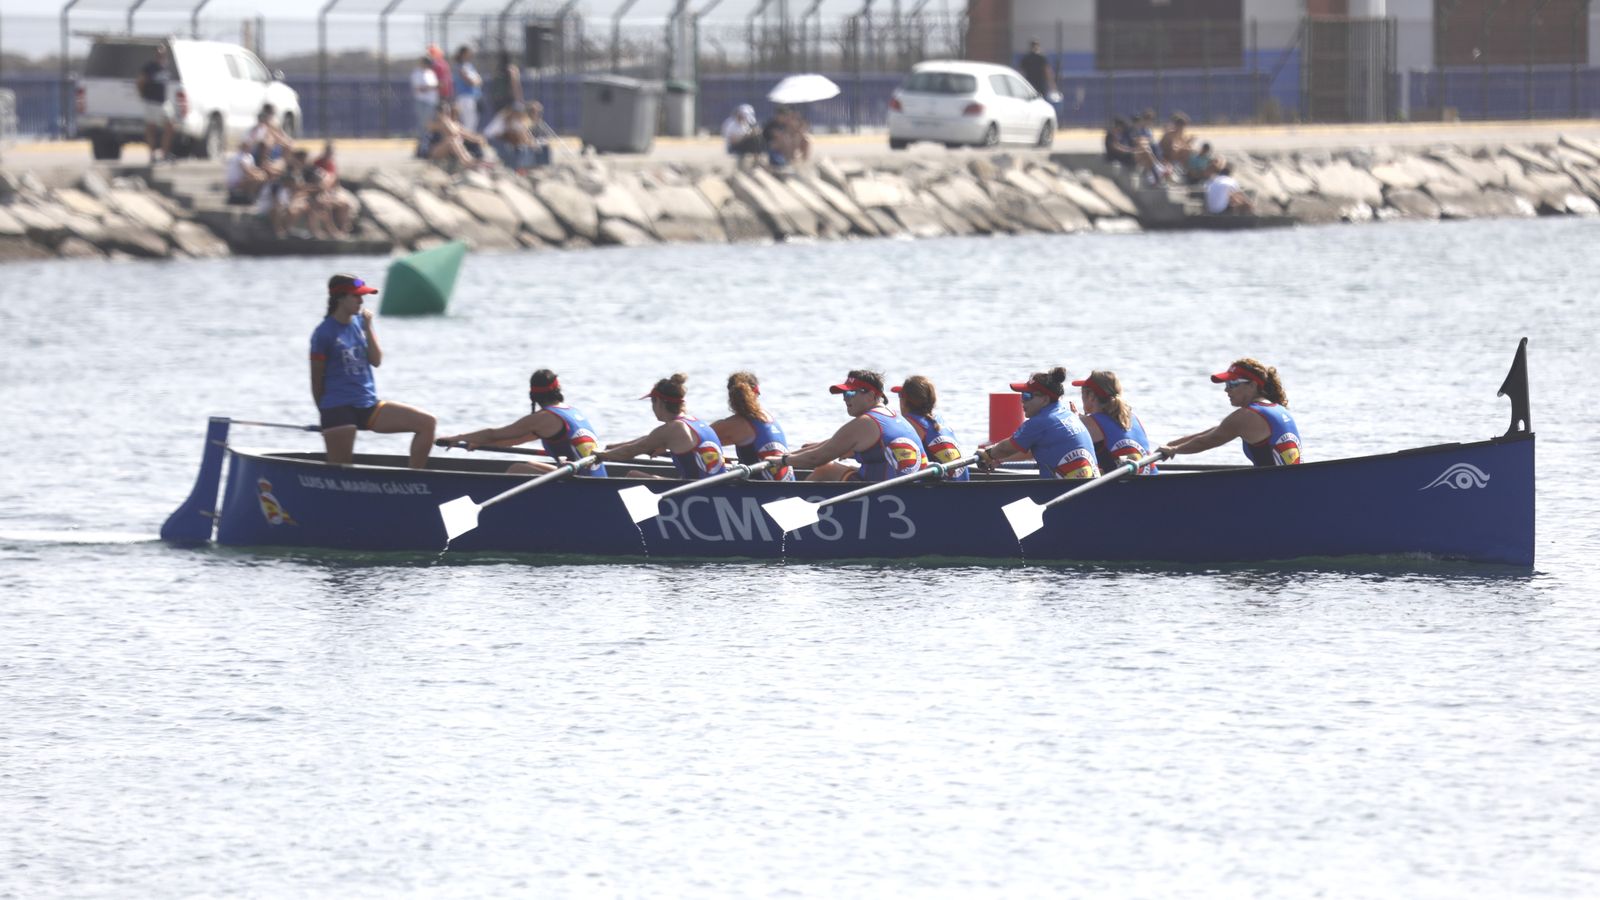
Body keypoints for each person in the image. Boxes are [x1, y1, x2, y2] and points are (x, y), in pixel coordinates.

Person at [309, 274, 436, 469]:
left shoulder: (360, 324)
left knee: (427, 423)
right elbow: (316, 380)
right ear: (340, 298)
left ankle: (414, 482)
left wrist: (368, 328)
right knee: (341, 470)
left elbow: (376, 361)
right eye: (356, 296)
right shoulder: (323, 333)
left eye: (362, 296)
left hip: (367, 404)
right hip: (338, 407)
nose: (361, 301)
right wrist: (325, 415)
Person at [438, 369, 609, 477]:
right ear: (558, 390)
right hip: (595, 477)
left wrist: (457, 437)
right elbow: (512, 440)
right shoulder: (571, 411)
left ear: (533, 396)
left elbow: (494, 433)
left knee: (516, 470)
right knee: (528, 466)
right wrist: (477, 442)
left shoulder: (542, 418)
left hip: (583, 482)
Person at [780, 370, 927, 482]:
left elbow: (816, 459)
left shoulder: (866, 422)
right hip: (912, 486)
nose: (845, 399)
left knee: (826, 469)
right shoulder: (893, 415)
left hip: (891, 492)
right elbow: (830, 445)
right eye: (844, 394)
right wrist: (791, 455)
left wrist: (782, 461)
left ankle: (784, 510)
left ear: (871, 395)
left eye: (850, 393)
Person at [1160, 359, 1301, 467]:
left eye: (1232, 384)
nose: (1226, 390)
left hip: (1275, 489)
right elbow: (1214, 432)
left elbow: (1208, 440)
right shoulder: (1278, 408)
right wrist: (1173, 444)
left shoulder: (1246, 416)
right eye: (1226, 385)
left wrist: (1174, 450)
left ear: (1252, 385)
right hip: (1289, 483)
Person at [974, 367, 1099, 480]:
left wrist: (987, 454)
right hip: (1090, 487)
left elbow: (1006, 448)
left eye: (1027, 396)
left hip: (1066, 491)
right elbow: (1027, 451)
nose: (1022, 401)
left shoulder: (1040, 422)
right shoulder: (1068, 415)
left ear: (1045, 399)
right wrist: (998, 459)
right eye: (1022, 396)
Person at [596, 374, 727, 480]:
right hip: (717, 485)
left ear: (659, 402)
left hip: (699, 490)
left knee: (632, 475)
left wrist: (602, 455)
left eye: (652, 402)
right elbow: (647, 439)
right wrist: (615, 447)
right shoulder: (695, 422)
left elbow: (630, 452)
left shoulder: (673, 428)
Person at [709, 371, 794, 481]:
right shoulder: (769, 417)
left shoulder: (734, 425)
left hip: (761, 491)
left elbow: (699, 442)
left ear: (730, 397)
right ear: (757, 393)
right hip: (787, 486)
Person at [1072, 370, 1158, 474]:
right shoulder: (1133, 417)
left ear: (1091, 396)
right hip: (1153, 479)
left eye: (1082, 393)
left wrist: (1074, 418)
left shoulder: (1087, 423)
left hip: (1126, 487)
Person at [892, 375, 969, 481]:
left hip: (943, 490)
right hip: (963, 483)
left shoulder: (909, 424)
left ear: (905, 401)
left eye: (900, 396)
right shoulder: (939, 420)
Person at [137, 44, 175, 163]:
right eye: (159, 53)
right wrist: (142, 95)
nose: (161, 55)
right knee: (151, 127)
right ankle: (152, 154)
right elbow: (140, 82)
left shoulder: (165, 67)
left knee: (170, 125)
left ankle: (164, 153)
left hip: (163, 101)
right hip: (151, 101)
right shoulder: (150, 67)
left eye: (163, 53)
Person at [224, 140, 267, 205]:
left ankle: (251, 197)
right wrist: (258, 175)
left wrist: (261, 173)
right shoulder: (239, 156)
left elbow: (253, 169)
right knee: (256, 179)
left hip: (243, 179)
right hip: (234, 183)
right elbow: (247, 171)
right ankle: (250, 197)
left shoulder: (249, 156)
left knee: (261, 176)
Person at [452, 45, 483, 133]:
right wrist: (476, 81)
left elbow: (479, 80)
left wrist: (476, 81)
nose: (470, 55)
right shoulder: (461, 66)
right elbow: (470, 81)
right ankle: (467, 142)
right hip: (465, 97)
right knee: (468, 121)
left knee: (473, 121)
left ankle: (468, 141)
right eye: (468, 53)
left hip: (473, 97)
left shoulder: (469, 65)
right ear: (463, 54)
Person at [411, 56, 440, 146]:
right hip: (422, 101)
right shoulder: (416, 73)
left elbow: (435, 85)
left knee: (430, 123)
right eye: (427, 63)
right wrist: (431, 87)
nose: (429, 65)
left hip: (432, 101)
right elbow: (419, 88)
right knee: (423, 123)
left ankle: (428, 143)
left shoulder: (431, 73)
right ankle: (422, 144)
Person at [1158, 112, 1195, 177]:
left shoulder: (1180, 134)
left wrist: (1188, 142)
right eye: (1182, 126)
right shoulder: (1170, 134)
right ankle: (1176, 168)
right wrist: (1186, 144)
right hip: (1165, 156)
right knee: (1181, 150)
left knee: (1188, 150)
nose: (1183, 128)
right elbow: (1171, 147)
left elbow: (1183, 145)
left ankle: (1184, 169)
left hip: (1172, 155)